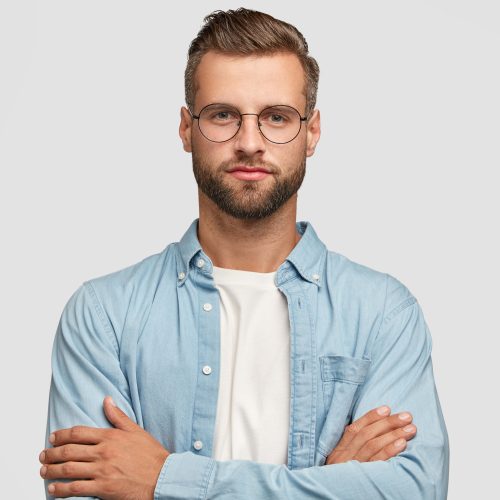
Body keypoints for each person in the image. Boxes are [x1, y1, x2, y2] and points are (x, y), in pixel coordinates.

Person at [39, 8, 449, 499]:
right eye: (223, 116)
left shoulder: (384, 313)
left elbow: (412, 492)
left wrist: (163, 479)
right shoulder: (104, 314)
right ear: (187, 129)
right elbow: (81, 494)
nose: (249, 143)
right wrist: (329, 483)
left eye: (277, 117)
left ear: (311, 132)